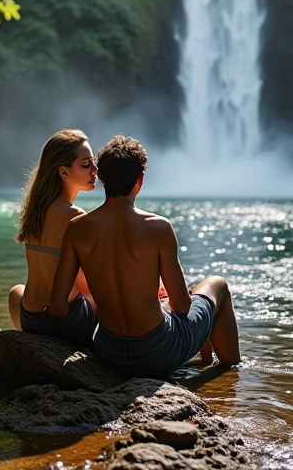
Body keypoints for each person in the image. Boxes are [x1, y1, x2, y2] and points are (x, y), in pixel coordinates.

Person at [49, 134, 241, 378]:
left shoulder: (76, 228)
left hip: (110, 353)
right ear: (139, 180)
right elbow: (182, 306)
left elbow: (57, 309)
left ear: (100, 176)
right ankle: (230, 372)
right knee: (218, 285)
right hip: (159, 353)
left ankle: (208, 363)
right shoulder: (158, 227)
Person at [8, 128, 98, 346]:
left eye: (93, 162)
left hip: (30, 319)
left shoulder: (34, 212)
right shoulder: (76, 217)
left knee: (16, 292)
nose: (95, 170)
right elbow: (87, 287)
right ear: (64, 172)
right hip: (68, 322)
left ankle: (31, 346)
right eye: (86, 164)